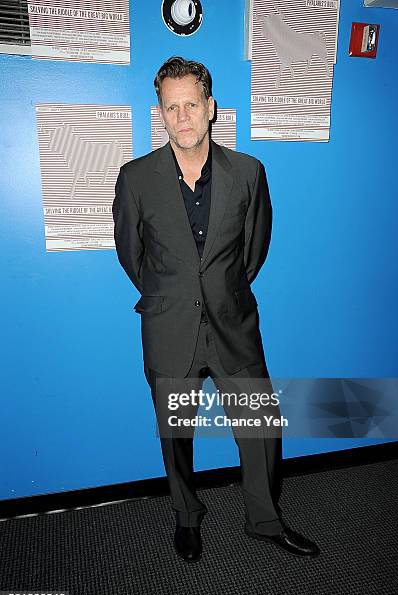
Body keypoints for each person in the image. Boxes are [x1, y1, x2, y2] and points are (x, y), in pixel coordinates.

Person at [112, 56, 319, 562]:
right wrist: (173, 294)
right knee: (176, 436)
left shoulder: (249, 173)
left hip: (232, 324)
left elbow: (254, 250)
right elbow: (130, 255)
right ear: (159, 113)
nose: (182, 117)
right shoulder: (135, 178)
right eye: (171, 107)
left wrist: (220, 292)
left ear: (211, 108)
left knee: (260, 428)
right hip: (169, 327)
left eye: (191, 105)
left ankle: (265, 519)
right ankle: (186, 516)